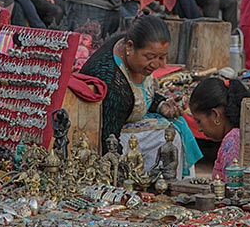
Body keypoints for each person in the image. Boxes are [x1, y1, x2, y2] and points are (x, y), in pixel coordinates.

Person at [80, 14, 202, 175]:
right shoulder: (112, 81)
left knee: (175, 127)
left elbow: (142, 92)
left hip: (123, 121)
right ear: (130, 47)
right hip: (106, 136)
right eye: (151, 57)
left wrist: (160, 104)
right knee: (169, 136)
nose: (160, 64)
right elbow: (108, 142)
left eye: (163, 57)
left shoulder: (130, 48)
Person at [189, 77, 250, 181]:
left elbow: (231, 188)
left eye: (199, 121)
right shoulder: (238, 135)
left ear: (215, 115)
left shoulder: (233, 140)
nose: (199, 129)